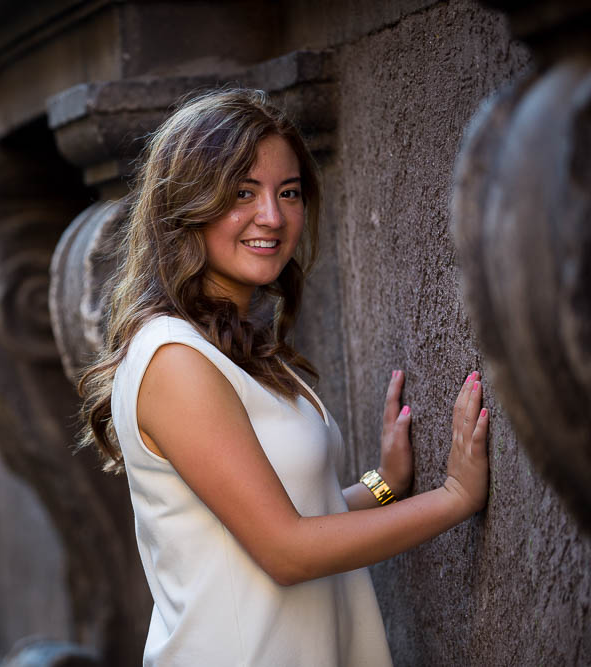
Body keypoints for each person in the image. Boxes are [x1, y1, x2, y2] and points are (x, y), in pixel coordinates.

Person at [77, 89, 490, 667]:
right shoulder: (173, 357)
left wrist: (382, 486)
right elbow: (286, 551)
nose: (272, 216)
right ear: (187, 203)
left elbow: (277, 515)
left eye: (288, 192)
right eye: (242, 192)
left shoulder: (228, 346)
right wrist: (454, 498)